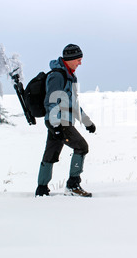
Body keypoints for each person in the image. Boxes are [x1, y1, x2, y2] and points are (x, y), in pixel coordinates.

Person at [35, 44, 96, 197]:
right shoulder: (58, 75)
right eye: (78, 59)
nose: (80, 63)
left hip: (57, 121)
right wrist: (56, 125)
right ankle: (73, 185)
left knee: (51, 153)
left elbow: (73, 104)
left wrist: (87, 121)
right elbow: (51, 101)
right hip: (59, 121)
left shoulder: (69, 76)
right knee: (81, 147)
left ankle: (41, 189)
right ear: (70, 59)